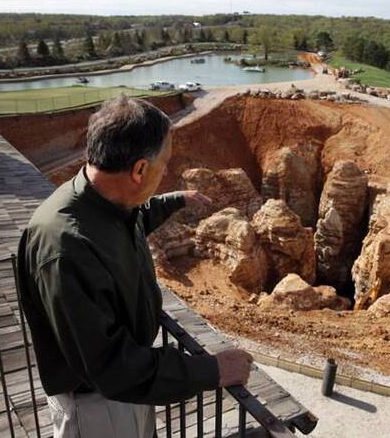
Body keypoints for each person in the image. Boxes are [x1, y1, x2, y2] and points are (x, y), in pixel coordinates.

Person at [17, 95, 253, 438]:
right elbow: (110, 366)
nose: (168, 171)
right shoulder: (65, 247)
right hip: (98, 406)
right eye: (165, 163)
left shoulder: (103, 202)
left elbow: (135, 217)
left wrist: (176, 200)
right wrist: (210, 370)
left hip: (126, 391)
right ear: (139, 170)